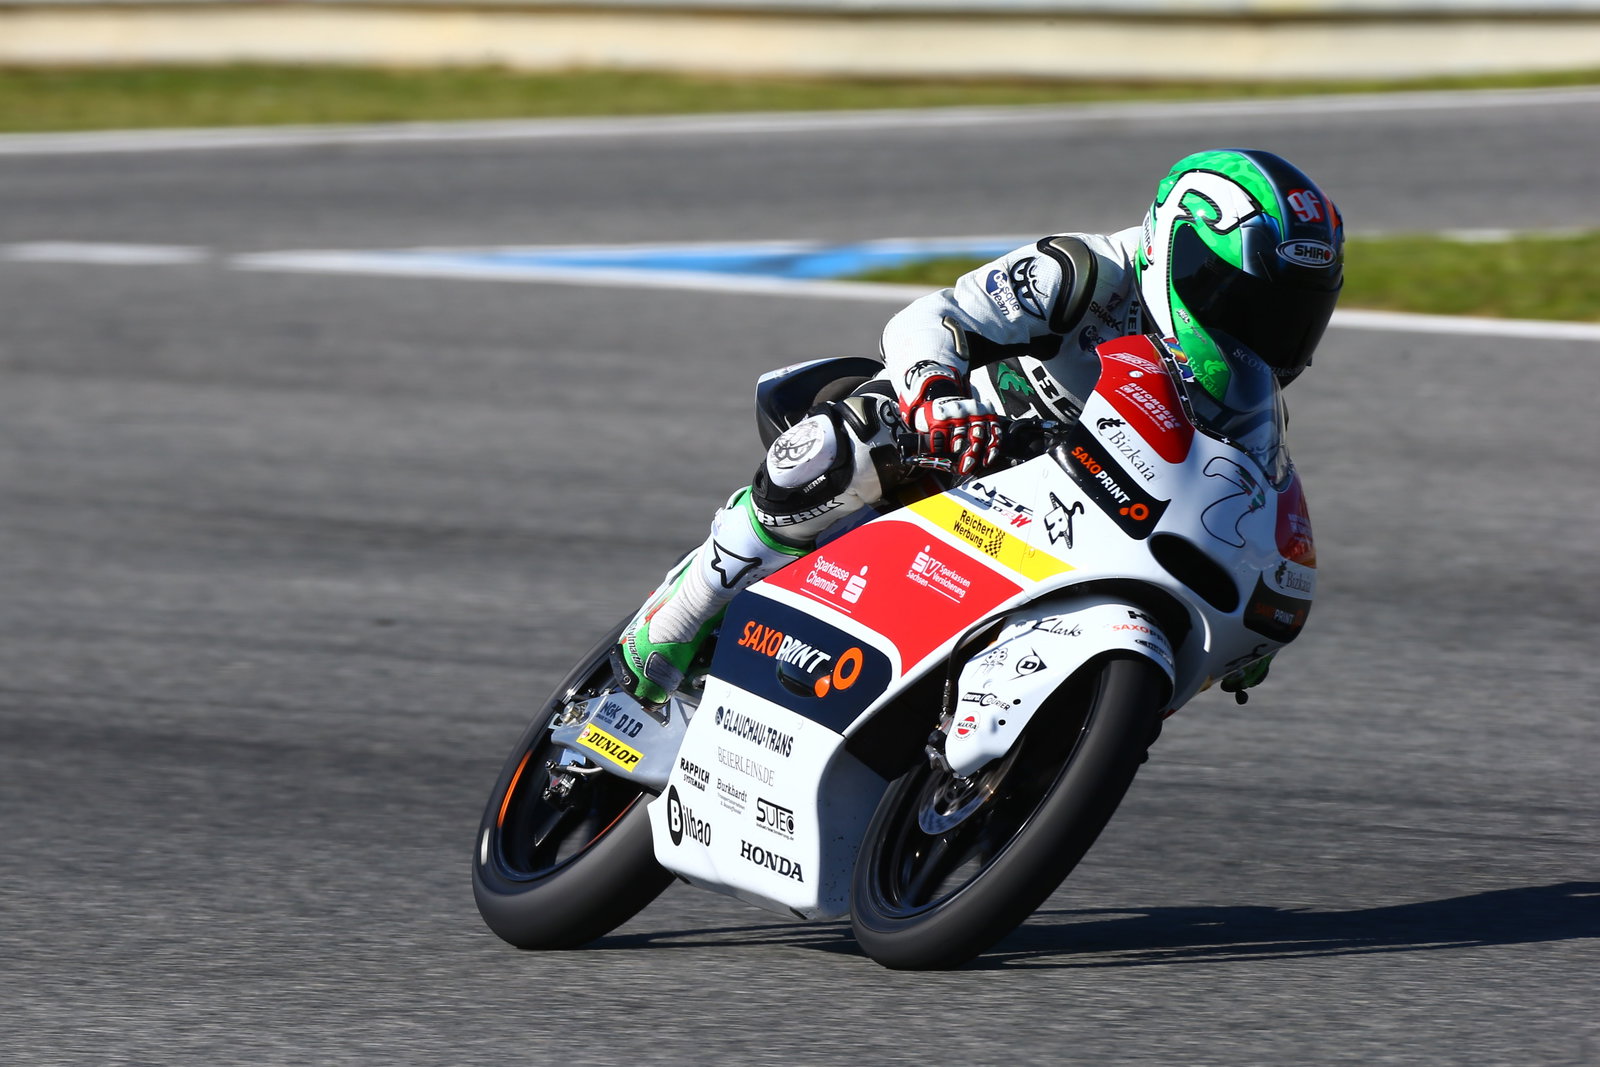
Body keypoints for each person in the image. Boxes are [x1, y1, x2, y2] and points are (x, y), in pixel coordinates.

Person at [610, 147, 1344, 706]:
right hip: (965, 441)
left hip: (1073, 514)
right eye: (1248, 304)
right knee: (836, 450)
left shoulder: (1248, 406)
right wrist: (937, 393)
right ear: (1181, 254)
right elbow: (932, 316)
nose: (1263, 334)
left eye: (1291, 318)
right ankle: (680, 616)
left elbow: (1241, 505)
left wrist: (1253, 611)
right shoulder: (1089, 272)